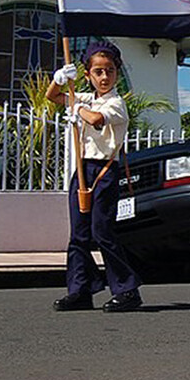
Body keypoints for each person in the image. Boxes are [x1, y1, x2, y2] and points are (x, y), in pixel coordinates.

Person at [47, 41, 143, 312]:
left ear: (117, 73)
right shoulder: (85, 97)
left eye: (109, 71)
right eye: (98, 72)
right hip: (82, 170)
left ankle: (127, 289)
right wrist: (59, 79)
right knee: (78, 234)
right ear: (87, 75)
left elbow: (97, 120)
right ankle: (80, 289)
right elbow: (52, 96)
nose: (104, 77)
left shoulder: (116, 103)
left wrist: (77, 110)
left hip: (104, 171)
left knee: (102, 231)